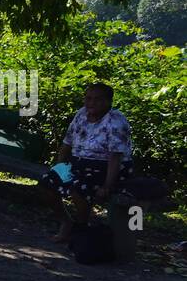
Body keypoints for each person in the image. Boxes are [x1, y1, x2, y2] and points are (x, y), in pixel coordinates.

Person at [42, 82, 134, 242]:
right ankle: (66, 223)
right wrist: (58, 167)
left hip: (106, 168)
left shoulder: (116, 121)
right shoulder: (81, 114)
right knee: (47, 183)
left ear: (108, 101)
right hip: (79, 164)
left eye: (97, 99)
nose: (91, 103)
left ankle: (81, 227)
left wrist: (107, 186)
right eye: (88, 98)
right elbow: (67, 143)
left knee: (79, 188)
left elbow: (115, 157)